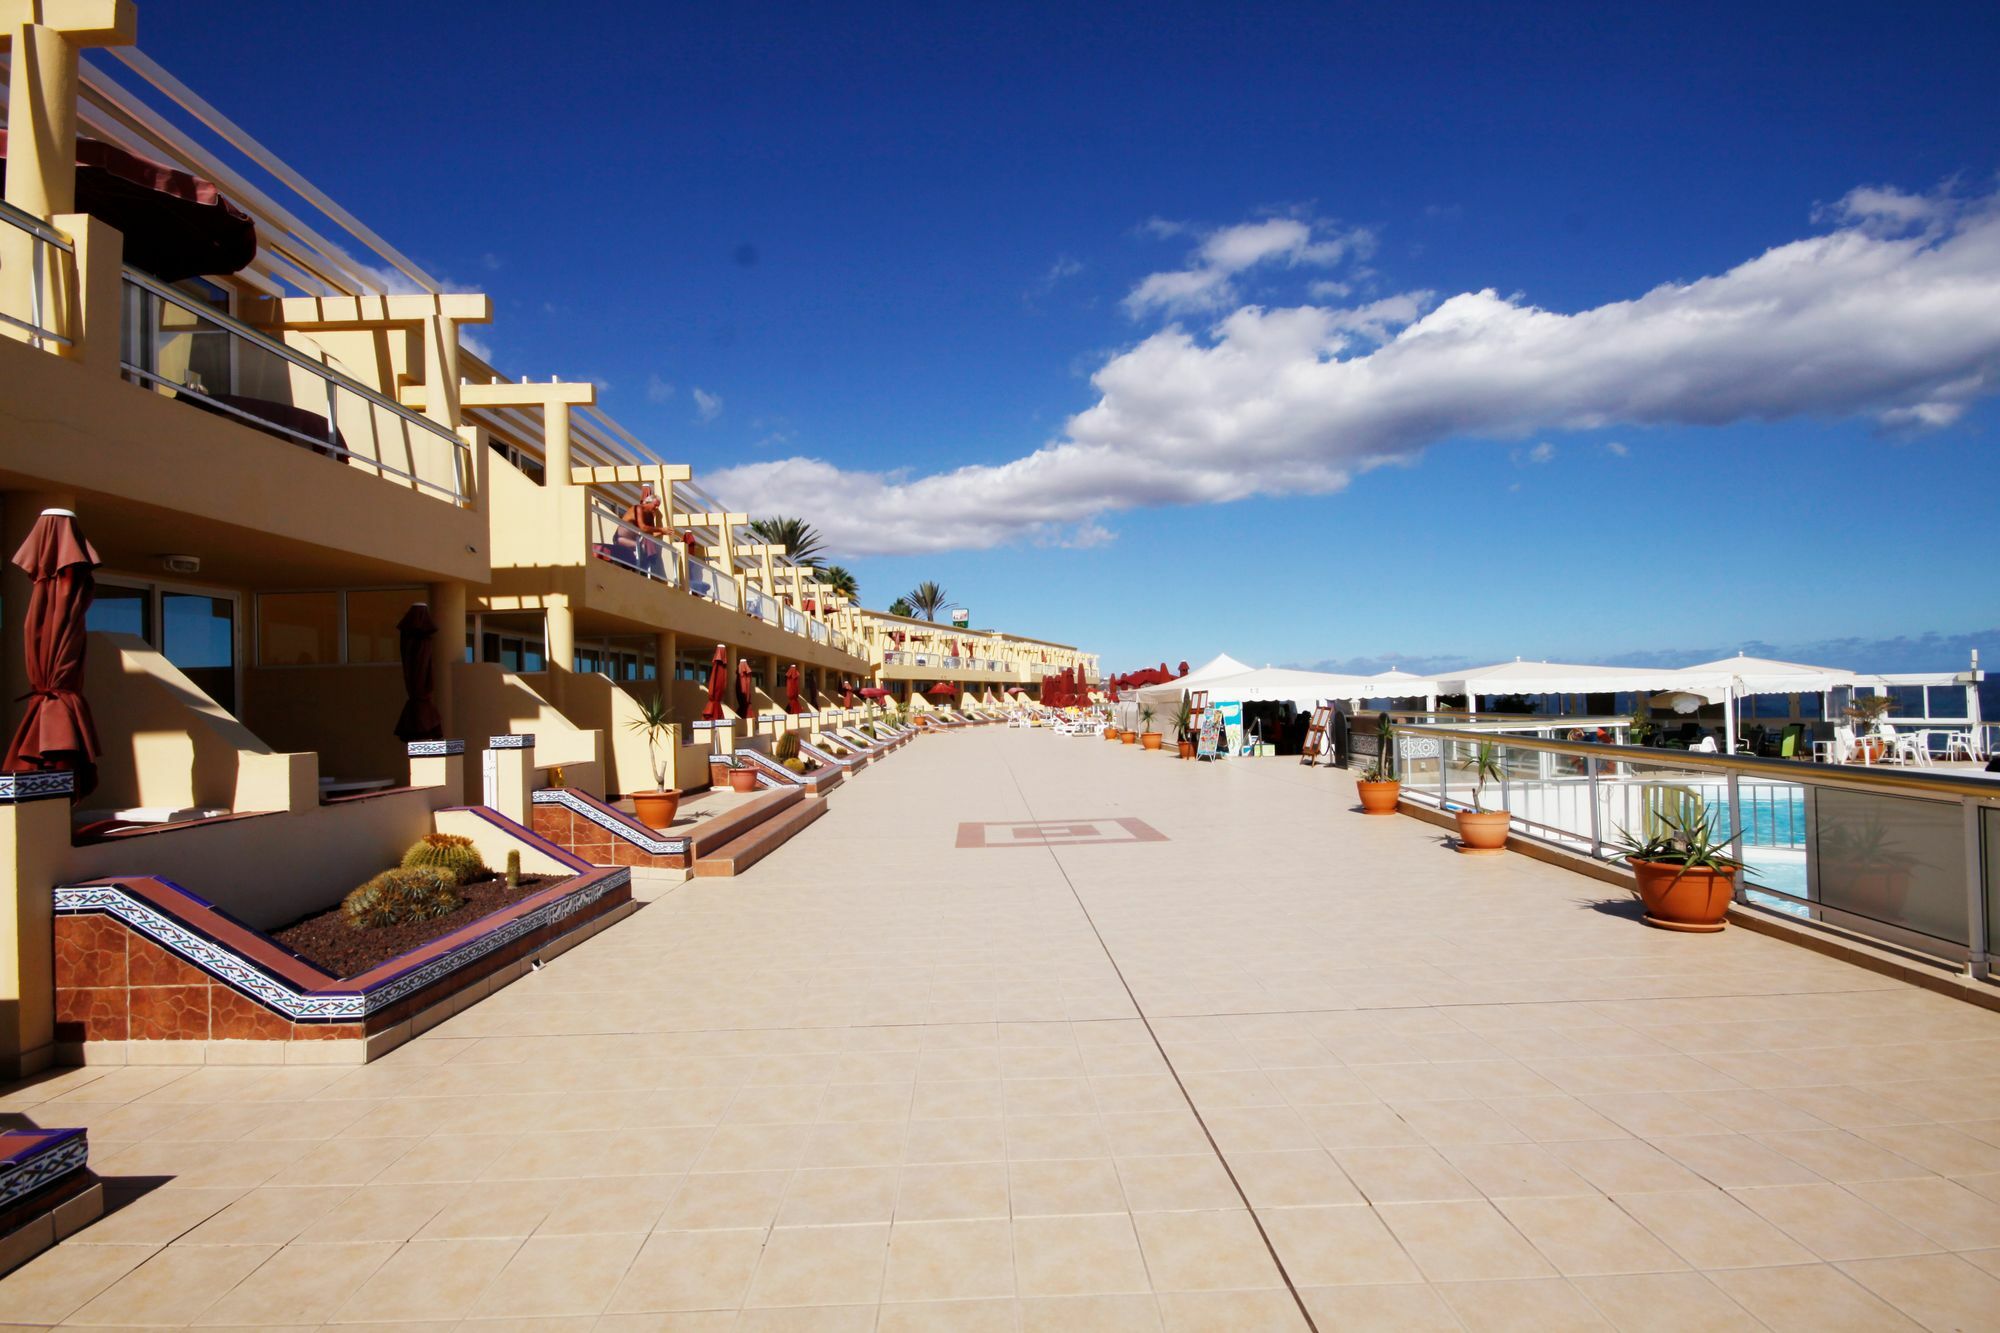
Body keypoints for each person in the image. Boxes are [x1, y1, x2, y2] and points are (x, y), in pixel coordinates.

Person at [615, 483, 674, 578]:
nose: (657, 508)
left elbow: (651, 533)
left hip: (635, 542)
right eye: (655, 505)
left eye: (658, 506)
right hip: (621, 539)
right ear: (648, 502)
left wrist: (664, 532)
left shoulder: (650, 516)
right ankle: (642, 571)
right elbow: (643, 527)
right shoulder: (638, 508)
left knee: (645, 546)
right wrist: (661, 529)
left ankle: (643, 572)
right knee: (643, 547)